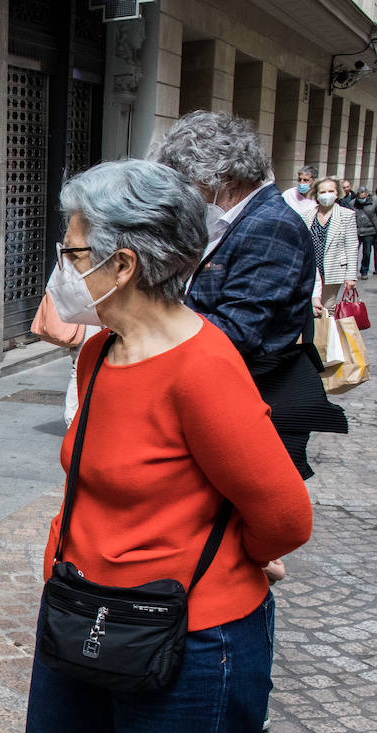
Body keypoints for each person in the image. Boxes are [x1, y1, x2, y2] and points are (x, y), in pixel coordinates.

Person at [14, 159, 313, 733]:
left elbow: (287, 515)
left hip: (185, 638)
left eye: (73, 252)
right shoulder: (100, 355)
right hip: (81, 615)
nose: (64, 266)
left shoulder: (203, 367)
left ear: (122, 266)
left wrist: (245, 556)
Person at [151, 111, 346, 491]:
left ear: (218, 176)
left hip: (251, 394)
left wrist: (150, 317)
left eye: (187, 182)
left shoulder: (268, 224)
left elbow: (238, 331)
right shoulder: (237, 220)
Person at [302, 177, 361, 311]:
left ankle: (326, 332)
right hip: (311, 269)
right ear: (316, 194)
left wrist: (351, 276)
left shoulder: (346, 215)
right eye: (322, 192)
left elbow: (351, 246)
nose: (326, 195)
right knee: (308, 307)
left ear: (337, 193)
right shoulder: (307, 215)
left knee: (328, 307)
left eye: (330, 191)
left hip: (333, 269)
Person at [355, 186, 377, 278]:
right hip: (357, 231)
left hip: (369, 231)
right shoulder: (353, 203)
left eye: (363, 198)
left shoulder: (374, 203)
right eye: (360, 198)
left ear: (367, 195)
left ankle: (364, 271)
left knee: (367, 252)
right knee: (354, 252)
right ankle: (351, 271)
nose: (362, 200)